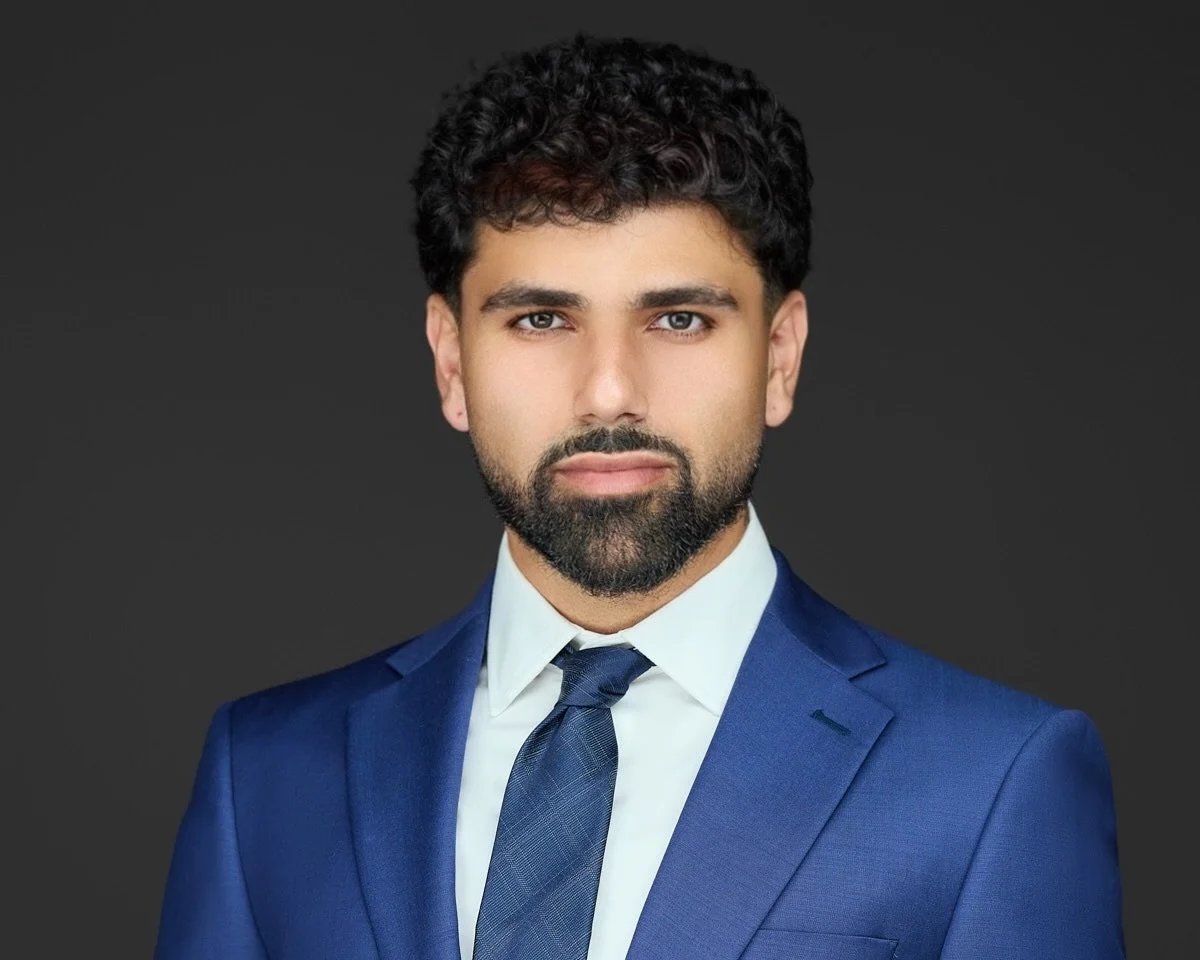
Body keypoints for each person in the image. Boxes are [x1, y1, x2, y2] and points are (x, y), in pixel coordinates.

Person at [153, 33, 1125, 960]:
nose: (610, 390)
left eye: (679, 318)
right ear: (451, 362)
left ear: (779, 357)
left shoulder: (992, 782)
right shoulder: (267, 773)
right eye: (540, 318)